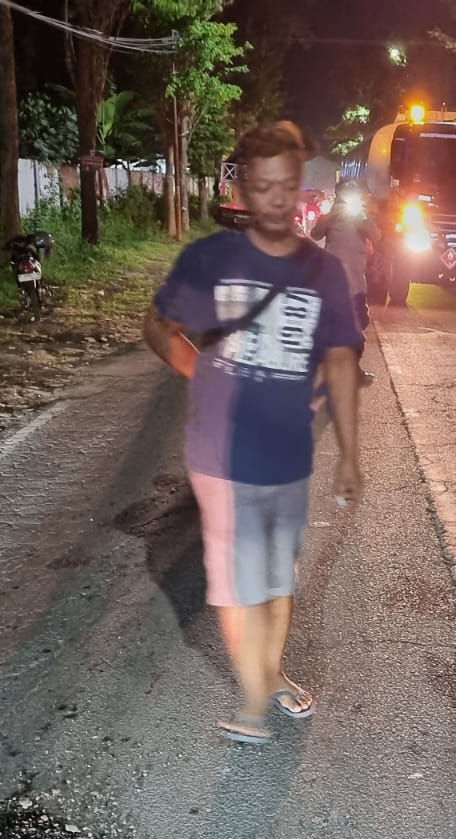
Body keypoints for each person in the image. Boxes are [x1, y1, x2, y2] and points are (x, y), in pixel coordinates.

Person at [143, 121, 364, 746]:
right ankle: (253, 700)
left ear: (299, 189)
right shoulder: (210, 260)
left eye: (286, 185)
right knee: (242, 583)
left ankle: (271, 677)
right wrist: (203, 370)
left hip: (287, 455)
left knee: (276, 578)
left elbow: (343, 358)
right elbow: (158, 327)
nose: (274, 199)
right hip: (221, 454)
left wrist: (350, 450)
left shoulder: (323, 271)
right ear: (242, 188)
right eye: (261, 185)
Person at [310, 178, 381, 386]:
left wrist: (363, 218)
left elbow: (377, 235)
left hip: (356, 284)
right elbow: (315, 234)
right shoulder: (331, 218)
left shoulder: (360, 217)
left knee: (360, 322)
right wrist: (328, 217)